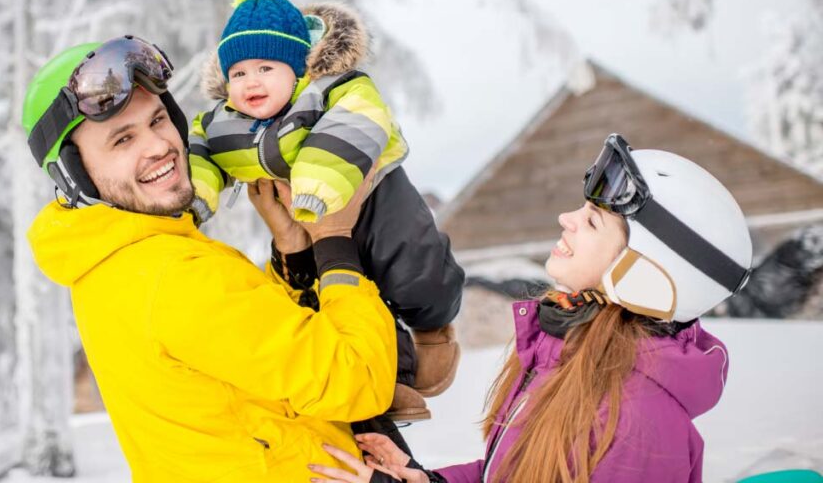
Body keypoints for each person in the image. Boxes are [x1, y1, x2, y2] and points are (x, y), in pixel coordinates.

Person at [21, 35, 400, 482]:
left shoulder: (110, 261)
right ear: (75, 173)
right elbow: (358, 378)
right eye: (122, 140)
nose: (160, 146)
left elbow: (248, 382)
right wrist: (335, 239)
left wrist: (293, 254)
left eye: (159, 120)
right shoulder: (176, 276)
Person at [309, 134, 754, 483]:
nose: (567, 219)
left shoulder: (635, 426)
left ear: (646, 274)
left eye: (593, 220)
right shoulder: (575, 354)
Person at [188, 0, 466, 422]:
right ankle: (389, 375)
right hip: (308, 220)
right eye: (237, 72)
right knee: (335, 296)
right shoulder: (224, 122)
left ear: (298, 68)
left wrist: (320, 182)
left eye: (265, 67)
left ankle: (433, 325)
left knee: (412, 266)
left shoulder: (332, 90)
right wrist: (198, 197)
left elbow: (358, 120)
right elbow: (200, 152)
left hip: (372, 193)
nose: (250, 82)